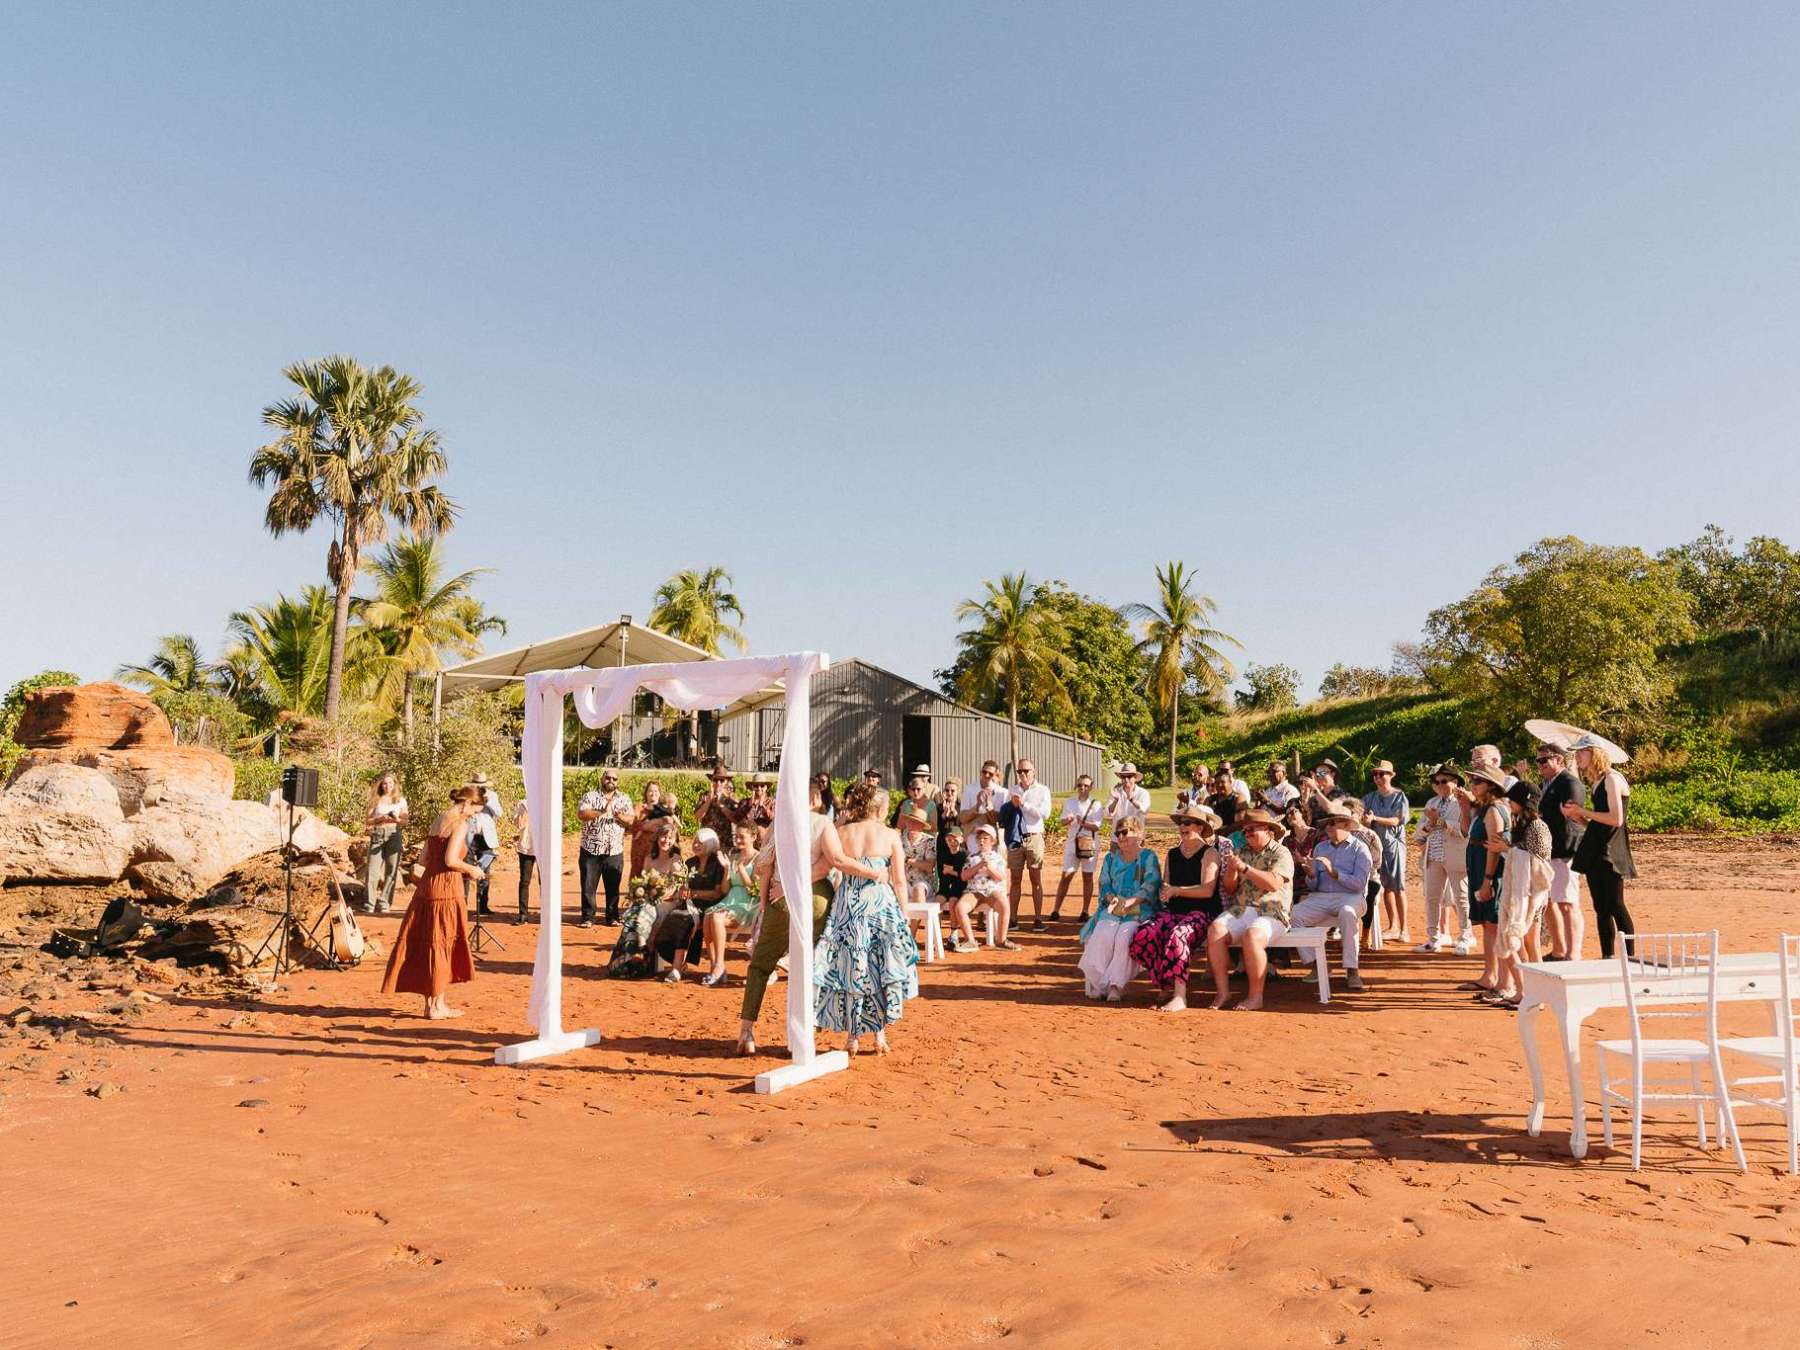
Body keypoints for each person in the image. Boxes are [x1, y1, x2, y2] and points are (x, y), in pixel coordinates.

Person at [736, 783, 882, 1056]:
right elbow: (835, 861)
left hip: (780, 898)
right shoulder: (822, 822)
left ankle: (746, 1030)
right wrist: (873, 873)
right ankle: (808, 1032)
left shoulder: (780, 825)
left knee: (760, 966)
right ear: (815, 799)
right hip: (815, 898)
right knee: (817, 964)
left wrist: (766, 901)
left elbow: (763, 867)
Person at [813, 783, 920, 1056]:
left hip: (848, 905)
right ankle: (879, 1035)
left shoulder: (841, 831)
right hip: (879, 905)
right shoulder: (890, 835)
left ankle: (852, 1037)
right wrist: (905, 914)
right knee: (879, 968)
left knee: (851, 969)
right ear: (881, 808)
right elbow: (899, 880)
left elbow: (829, 866)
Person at [380, 786, 480, 1018]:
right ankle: (437, 1007)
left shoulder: (438, 820)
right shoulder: (460, 824)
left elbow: (424, 858)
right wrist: (471, 869)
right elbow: (451, 859)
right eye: (475, 809)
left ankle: (433, 1005)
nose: (474, 815)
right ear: (466, 804)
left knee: (431, 945)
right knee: (442, 944)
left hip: (426, 888)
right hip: (446, 890)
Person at [1130, 804, 1224, 1011]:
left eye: (1188, 823)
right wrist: (1165, 891)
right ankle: (1165, 982)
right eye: (1181, 823)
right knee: (1143, 935)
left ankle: (1180, 996)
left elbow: (1207, 890)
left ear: (1200, 827)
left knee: (1178, 936)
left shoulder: (1210, 854)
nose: (1182, 826)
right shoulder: (1172, 854)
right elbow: (1167, 885)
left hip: (1202, 913)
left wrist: (1176, 890)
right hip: (1174, 911)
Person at [1204, 809, 1294, 1012]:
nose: (1247, 834)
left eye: (1251, 830)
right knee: (1215, 930)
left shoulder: (1281, 853)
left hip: (1272, 910)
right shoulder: (1242, 851)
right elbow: (1229, 888)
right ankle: (1222, 992)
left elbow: (1273, 884)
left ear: (1267, 829)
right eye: (1245, 831)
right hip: (1242, 907)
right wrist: (1232, 870)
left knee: (1252, 936)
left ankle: (1255, 996)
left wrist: (1245, 869)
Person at [1564, 735, 1637, 960]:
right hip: (1596, 847)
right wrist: (1580, 818)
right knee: (1600, 908)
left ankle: (1629, 958)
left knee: (1615, 904)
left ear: (1595, 752)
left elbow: (1616, 819)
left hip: (1611, 850)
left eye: (1581, 752)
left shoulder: (1612, 779)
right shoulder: (1596, 781)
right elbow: (1601, 821)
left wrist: (1583, 812)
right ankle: (1608, 956)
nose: (1577, 757)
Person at [1291, 801, 1373, 993]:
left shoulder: (1360, 849)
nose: (1327, 827)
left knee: (1347, 912)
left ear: (1345, 825)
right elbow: (1314, 885)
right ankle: (1316, 965)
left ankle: (1352, 970)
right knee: (1294, 915)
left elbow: (1360, 884)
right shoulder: (1321, 848)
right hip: (1321, 896)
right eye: (1327, 823)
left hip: (1351, 897)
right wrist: (1311, 875)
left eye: (1332, 823)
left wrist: (1335, 873)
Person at [1079, 817, 1162, 1001]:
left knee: (1125, 935)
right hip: (1114, 906)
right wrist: (1112, 899)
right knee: (1103, 933)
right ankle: (1100, 983)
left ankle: (1117, 985)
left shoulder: (1149, 857)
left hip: (1141, 908)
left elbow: (1152, 884)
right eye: (1118, 833)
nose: (1121, 837)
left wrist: (1131, 902)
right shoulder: (1110, 858)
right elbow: (1105, 883)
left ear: (1139, 834)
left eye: (1125, 832)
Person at [1491, 781, 1553, 1006]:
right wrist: (1508, 849)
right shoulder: (1520, 824)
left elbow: (1540, 862)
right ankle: (1523, 992)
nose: (1510, 803)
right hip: (1517, 893)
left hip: (1531, 896)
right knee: (1516, 942)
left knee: (1531, 944)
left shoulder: (1538, 827)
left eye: (1513, 800)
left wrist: (1507, 849)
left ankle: (1538, 995)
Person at [1535, 743, 1587, 960]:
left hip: (1564, 848)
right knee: (1548, 902)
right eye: (1538, 761)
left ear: (1559, 759)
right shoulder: (1545, 784)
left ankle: (1573, 952)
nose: (1540, 765)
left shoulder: (1570, 783)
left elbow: (1573, 818)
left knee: (1567, 902)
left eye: (1544, 760)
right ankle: (1559, 949)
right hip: (1547, 850)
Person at [1462, 767, 1510, 995]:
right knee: (1488, 926)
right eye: (1472, 780)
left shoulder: (1493, 810)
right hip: (1478, 868)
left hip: (1489, 872)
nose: (1473, 784)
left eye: (1478, 781)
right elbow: (1467, 832)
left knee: (1495, 924)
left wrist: (1488, 880)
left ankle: (1504, 982)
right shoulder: (1482, 809)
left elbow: (1494, 848)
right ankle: (1490, 975)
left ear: (1491, 785)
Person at [1418, 763, 1471, 954]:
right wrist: (1429, 825)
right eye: (1436, 782)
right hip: (1433, 856)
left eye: (1444, 781)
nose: (1439, 785)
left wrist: (1439, 822)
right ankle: (1433, 939)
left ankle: (1465, 937)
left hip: (1455, 855)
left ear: (1455, 782)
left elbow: (1465, 831)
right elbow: (1420, 830)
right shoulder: (1431, 803)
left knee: (1461, 898)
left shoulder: (1463, 802)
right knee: (1432, 898)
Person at [701, 823, 763, 986]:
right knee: (708, 916)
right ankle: (714, 966)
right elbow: (724, 889)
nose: (738, 840)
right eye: (736, 836)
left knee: (716, 918)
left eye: (742, 836)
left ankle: (720, 966)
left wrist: (742, 869)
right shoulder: (733, 857)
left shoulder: (759, 858)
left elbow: (754, 890)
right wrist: (728, 869)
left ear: (753, 837)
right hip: (730, 900)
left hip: (747, 904)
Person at [1362, 761, 1411, 942]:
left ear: (1391, 775)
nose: (1378, 777)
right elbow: (1362, 817)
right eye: (1375, 774)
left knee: (1398, 886)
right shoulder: (1369, 797)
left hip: (1394, 844)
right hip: (1376, 845)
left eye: (1382, 774)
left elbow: (1397, 820)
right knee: (1386, 887)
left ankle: (1404, 929)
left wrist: (1375, 818)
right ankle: (1393, 926)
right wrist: (1366, 821)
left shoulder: (1399, 796)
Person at [576, 771, 633, 927]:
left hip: (614, 850)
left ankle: (612, 917)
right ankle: (588, 917)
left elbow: (632, 820)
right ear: (602, 779)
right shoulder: (590, 796)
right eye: (608, 777)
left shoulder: (624, 798)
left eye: (614, 779)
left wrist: (619, 816)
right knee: (588, 886)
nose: (611, 780)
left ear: (618, 782)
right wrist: (601, 811)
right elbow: (582, 813)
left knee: (613, 887)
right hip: (591, 850)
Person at [1006, 758, 1054, 930]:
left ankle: (1038, 918)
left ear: (1034, 771)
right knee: (1015, 879)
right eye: (1020, 771)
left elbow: (1044, 814)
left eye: (1026, 771)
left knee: (1036, 878)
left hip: (1034, 837)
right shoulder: (1013, 790)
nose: (1023, 774)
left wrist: (1024, 805)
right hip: (1016, 838)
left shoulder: (1042, 790)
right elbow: (1006, 812)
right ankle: (1013, 918)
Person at [1051, 773, 1104, 922]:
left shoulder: (1096, 804)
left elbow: (1097, 827)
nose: (1082, 788)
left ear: (1091, 787)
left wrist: (1083, 823)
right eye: (1080, 785)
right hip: (1072, 842)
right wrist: (1067, 820)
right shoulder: (1070, 802)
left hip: (1089, 843)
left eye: (1086, 785)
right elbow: (1061, 821)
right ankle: (1056, 909)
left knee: (1087, 876)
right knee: (1066, 876)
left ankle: (1085, 911)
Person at [953, 821, 1009, 953]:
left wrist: (990, 868)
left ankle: (1001, 941)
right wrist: (978, 866)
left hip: (991, 891)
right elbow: (964, 876)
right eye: (979, 838)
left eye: (985, 838)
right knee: (960, 907)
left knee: (1005, 905)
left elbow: (1001, 877)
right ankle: (970, 941)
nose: (981, 841)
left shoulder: (998, 858)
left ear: (993, 841)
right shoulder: (971, 858)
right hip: (974, 891)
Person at [363, 773, 409, 915]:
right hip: (378, 833)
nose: (387, 786)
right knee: (372, 870)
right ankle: (369, 903)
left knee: (391, 869)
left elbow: (405, 821)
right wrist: (379, 819)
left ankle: (384, 902)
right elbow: (367, 820)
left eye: (390, 783)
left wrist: (396, 819)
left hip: (394, 834)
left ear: (394, 784)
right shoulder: (375, 800)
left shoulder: (400, 801)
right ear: (380, 785)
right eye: (384, 783)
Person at [896, 774, 938, 906]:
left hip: (924, 843)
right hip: (903, 877)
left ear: (924, 789)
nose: (916, 792)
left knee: (919, 890)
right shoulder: (906, 804)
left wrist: (910, 861)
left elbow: (934, 827)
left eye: (918, 789)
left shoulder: (930, 804)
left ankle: (911, 926)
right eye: (913, 789)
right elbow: (900, 825)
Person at [630, 780, 676, 881]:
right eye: (650, 791)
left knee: (654, 881)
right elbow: (634, 826)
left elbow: (670, 828)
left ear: (660, 794)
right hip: (639, 851)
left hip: (656, 851)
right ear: (646, 793)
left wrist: (648, 825)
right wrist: (656, 823)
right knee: (636, 881)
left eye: (656, 791)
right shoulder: (639, 807)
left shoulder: (663, 809)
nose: (653, 794)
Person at [464, 794, 499, 915]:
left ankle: (482, 906)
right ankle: (462, 906)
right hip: (469, 837)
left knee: (484, 872)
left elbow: (499, 813)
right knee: (466, 872)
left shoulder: (492, 795)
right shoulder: (468, 793)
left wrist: (487, 800)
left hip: (486, 838)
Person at [958, 760, 1008, 844]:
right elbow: (962, 818)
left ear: (995, 775)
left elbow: (1000, 822)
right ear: (981, 772)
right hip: (972, 838)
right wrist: (977, 806)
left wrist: (989, 805)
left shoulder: (1002, 792)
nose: (987, 775)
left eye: (990, 774)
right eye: (984, 772)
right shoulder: (969, 789)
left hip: (991, 839)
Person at [698, 764, 739, 852]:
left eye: (721, 780)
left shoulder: (732, 798)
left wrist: (721, 804)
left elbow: (736, 819)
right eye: (715, 780)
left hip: (725, 843)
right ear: (712, 781)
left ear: (726, 782)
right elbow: (698, 816)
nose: (718, 783)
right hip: (706, 841)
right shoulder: (704, 795)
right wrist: (709, 801)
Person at [1106, 763, 1151, 835]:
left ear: (1135, 778)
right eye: (1123, 777)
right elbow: (1109, 813)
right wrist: (1115, 800)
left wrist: (1132, 800)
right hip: (1118, 838)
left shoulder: (1143, 793)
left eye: (1129, 776)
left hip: (1135, 837)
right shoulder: (1115, 792)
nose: (1126, 779)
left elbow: (1145, 809)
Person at [509, 797, 535, 924]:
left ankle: (547, 914)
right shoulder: (523, 803)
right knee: (525, 881)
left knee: (545, 882)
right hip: (526, 846)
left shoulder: (549, 802)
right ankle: (523, 914)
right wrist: (525, 811)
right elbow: (519, 824)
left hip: (544, 848)